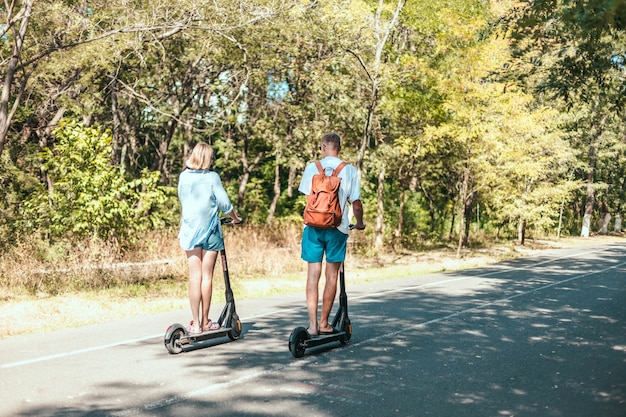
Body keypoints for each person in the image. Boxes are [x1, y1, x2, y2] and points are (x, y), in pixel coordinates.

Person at [298, 132, 365, 336]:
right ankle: (325, 322)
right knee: (331, 275)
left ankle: (312, 325)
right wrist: (359, 223)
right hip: (338, 227)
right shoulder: (349, 170)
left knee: (313, 275)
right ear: (339, 147)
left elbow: (308, 197)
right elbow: (356, 203)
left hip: (313, 227)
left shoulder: (312, 167)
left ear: (322, 147)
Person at [177, 142, 242, 334]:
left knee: (194, 277)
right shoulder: (212, 177)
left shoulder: (183, 177)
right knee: (206, 277)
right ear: (207, 159)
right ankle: (206, 322)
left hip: (190, 232)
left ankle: (196, 324)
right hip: (210, 232)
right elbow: (225, 204)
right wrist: (236, 219)